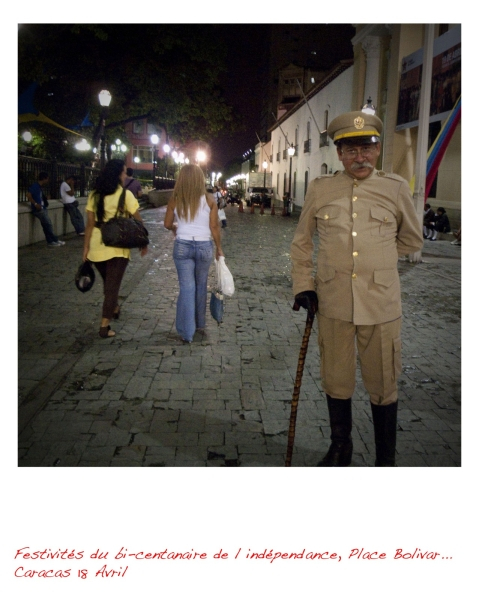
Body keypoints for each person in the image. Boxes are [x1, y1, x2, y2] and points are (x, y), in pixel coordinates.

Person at [290, 110, 423, 467]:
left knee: (383, 385)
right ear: (339, 154)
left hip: (381, 305)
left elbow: (411, 239)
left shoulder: (394, 188)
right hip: (333, 303)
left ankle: (385, 461)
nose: (359, 157)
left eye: (367, 148)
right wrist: (304, 285)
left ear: (378, 149)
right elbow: (302, 243)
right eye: (350, 151)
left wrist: (375, 261)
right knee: (337, 379)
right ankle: (340, 447)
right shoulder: (321, 189)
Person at [83, 159, 148, 338]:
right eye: (125, 172)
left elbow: (89, 224)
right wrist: (143, 242)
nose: (126, 175)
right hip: (118, 247)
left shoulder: (94, 195)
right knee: (112, 287)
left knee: (109, 282)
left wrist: (86, 248)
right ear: (119, 174)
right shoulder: (125, 195)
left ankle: (115, 307)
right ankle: (104, 326)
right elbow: (137, 221)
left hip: (97, 246)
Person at [164, 164, 224, 343]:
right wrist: (219, 248)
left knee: (187, 287)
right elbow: (214, 226)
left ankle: (186, 332)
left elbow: (167, 224)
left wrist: (176, 229)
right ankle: (199, 324)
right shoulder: (209, 199)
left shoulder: (175, 199)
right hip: (204, 245)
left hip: (182, 245)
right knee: (200, 285)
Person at [26, 171, 65, 247]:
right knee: (48, 224)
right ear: (44, 178)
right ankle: (54, 240)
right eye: (47, 179)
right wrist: (36, 204)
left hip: (42, 208)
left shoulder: (39, 187)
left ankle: (51, 241)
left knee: (46, 225)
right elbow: (28, 195)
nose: (48, 181)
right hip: (39, 209)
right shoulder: (35, 186)